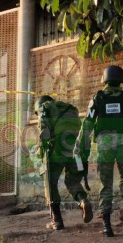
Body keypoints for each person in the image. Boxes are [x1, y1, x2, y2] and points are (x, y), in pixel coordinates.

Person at [74, 66, 123, 237]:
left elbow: (87, 125)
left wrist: (80, 148)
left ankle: (107, 225)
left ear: (104, 80)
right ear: (122, 80)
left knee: (105, 184)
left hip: (105, 145)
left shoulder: (97, 98)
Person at [34, 95, 94, 230]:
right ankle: (83, 201)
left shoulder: (45, 109)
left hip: (57, 150)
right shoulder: (70, 110)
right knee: (73, 181)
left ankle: (57, 221)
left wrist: (42, 152)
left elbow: (44, 133)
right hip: (76, 150)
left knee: (50, 183)